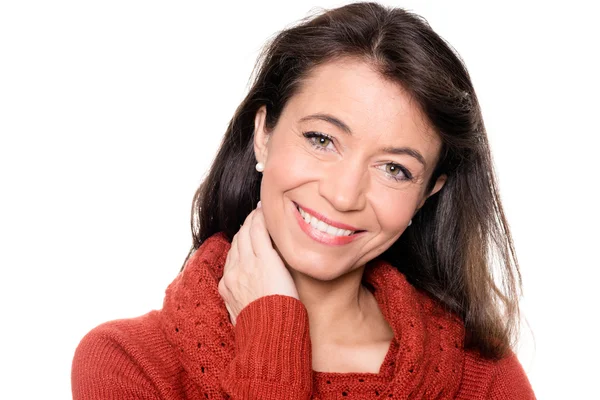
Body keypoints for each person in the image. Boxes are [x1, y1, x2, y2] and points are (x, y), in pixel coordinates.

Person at [71, 2, 536, 399]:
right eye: (321, 139)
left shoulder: (481, 377)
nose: (342, 194)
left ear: (427, 193)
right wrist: (272, 331)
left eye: (394, 169)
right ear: (263, 134)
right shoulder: (130, 363)